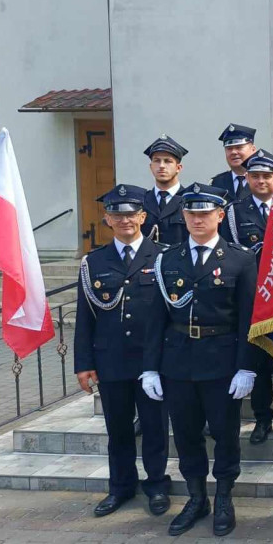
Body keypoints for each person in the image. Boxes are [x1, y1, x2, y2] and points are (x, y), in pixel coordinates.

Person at [142, 183, 260, 537]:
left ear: (220, 216)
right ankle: (197, 497)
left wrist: (247, 366)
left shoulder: (240, 259)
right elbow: (156, 317)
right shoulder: (167, 259)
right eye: (191, 213)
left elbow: (248, 319)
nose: (197, 219)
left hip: (221, 361)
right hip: (178, 362)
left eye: (205, 213)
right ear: (183, 215)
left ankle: (224, 496)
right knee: (187, 434)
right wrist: (150, 367)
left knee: (225, 435)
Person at [74, 184, 171, 518]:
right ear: (107, 219)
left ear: (143, 217)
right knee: (118, 429)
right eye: (117, 214)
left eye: (131, 214)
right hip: (111, 359)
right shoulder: (94, 261)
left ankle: (157, 484)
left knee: (155, 427)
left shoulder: (162, 256)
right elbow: (85, 318)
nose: (125, 220)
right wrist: (83, 364)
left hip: (151, 361)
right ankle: (121, 487)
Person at [220, 149, 273, 443]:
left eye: (267, 176)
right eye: (255, 176)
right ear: (247, 178)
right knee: (260, 360)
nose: (262, 181)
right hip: (251, 297)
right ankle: (262, 418)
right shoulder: (233, 212)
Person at [141, 134, 188, 246]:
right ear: (151, 166)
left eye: (168, 161)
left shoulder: (189, 199)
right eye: (157, 161)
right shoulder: (141, 200)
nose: (161, 166)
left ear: (178, 168)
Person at [211, 123, 258, 200]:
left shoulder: (265, 181)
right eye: (229, 148)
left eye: (239, 147)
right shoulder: (216, 183)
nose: (233, 152)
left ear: (253, 149)